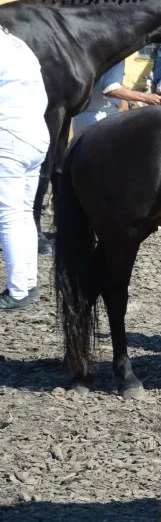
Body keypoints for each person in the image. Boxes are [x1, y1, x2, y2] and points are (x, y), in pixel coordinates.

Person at [0, 25, 49, 309]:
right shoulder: (19, 45)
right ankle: (27, 282)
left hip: (8, 136)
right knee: (23, 212)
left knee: (8, 216)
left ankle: (17, 290)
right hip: (35, 133)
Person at [72, 61, 161, 135]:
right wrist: (147, 98)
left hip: (81, 117)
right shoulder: (115, 55)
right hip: (100, 120)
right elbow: (110, 88)